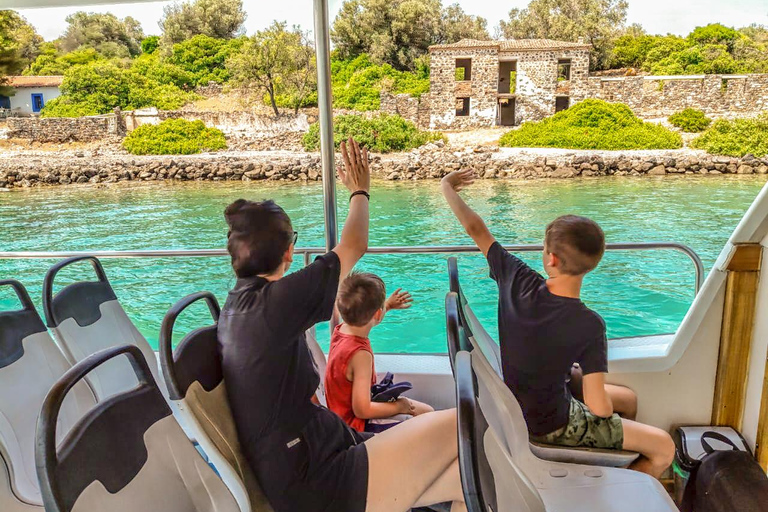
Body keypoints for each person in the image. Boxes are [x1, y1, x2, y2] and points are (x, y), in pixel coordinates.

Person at [218, 138, 466, 512]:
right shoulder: (275, 304)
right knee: (463, 425)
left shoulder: (237, 307)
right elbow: (354, 244)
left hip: (317, 454)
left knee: (465, 477)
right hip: (320, 480)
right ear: (288, 252)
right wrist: (360, 190)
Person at [440, 169, 675, 479]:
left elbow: (475, 228)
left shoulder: (516, 277)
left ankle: (606, 472)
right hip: (551, 425)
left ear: (550, 258)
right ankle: (626, 485)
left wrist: (447, 186)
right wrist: (598, 409)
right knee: (664, 448)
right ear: (594, 263)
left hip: (520, 404)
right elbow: (599, 406)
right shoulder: (589, 324)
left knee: (628, 400)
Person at [326, 272, 434, 433]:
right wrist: (398, 407)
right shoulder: (360, 355)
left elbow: (363, 319)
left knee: (428, 412)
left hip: (341, 411)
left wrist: (387, 306)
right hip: (356, 425)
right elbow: (362, 410)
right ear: (377, 314)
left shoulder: (342, 329)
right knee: (428, 425)